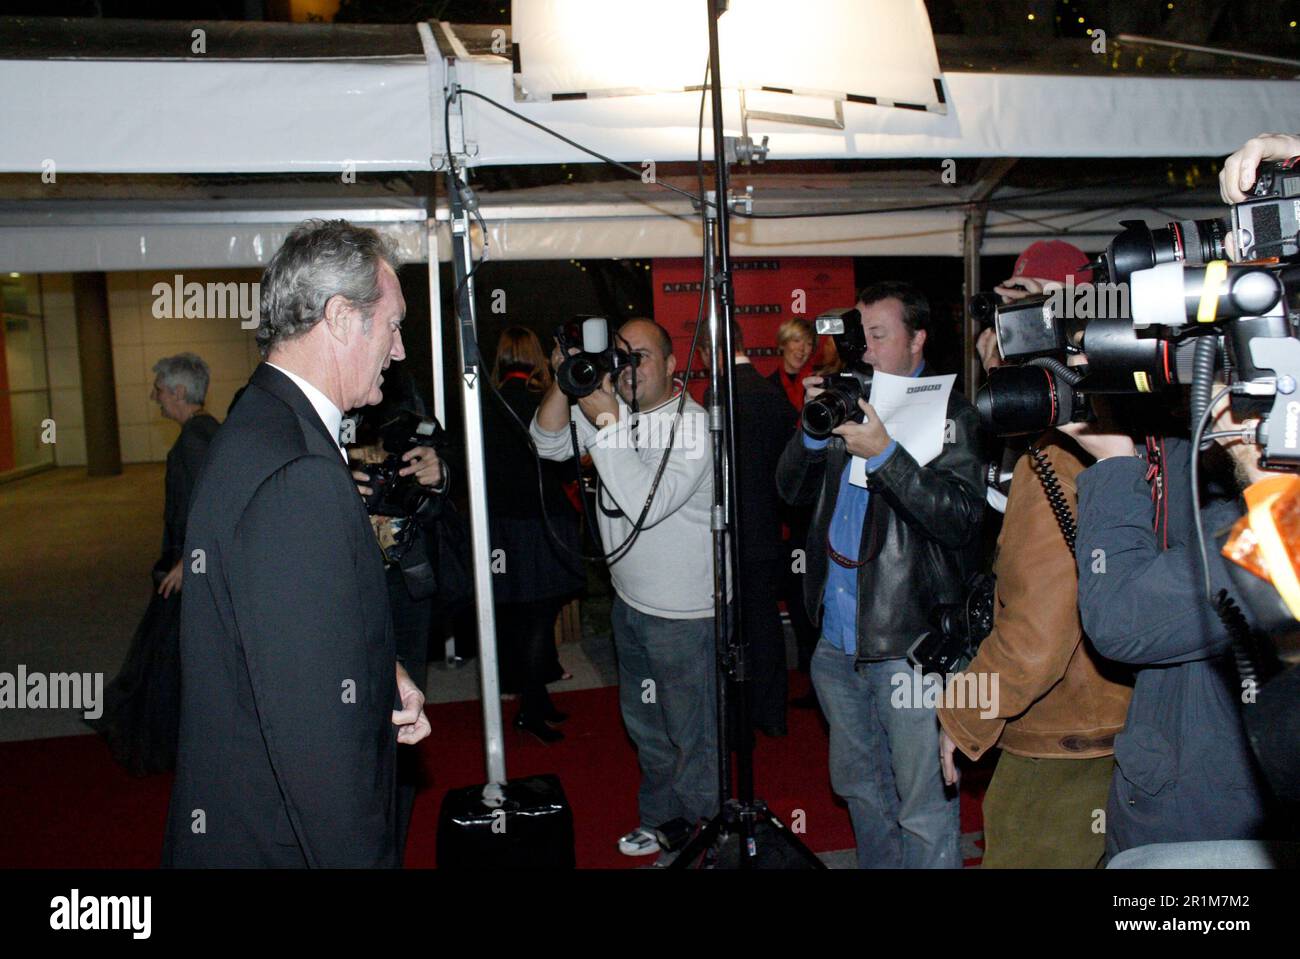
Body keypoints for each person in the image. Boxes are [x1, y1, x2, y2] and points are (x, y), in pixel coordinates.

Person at [162, 219, 431, 868]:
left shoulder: (261, 418)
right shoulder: (295, 472)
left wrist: (371, 674)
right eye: (392, 325)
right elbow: (316, 747)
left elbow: (285, 643)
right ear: (341, 318)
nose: (398, 350)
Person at [776, 281, 985, 869]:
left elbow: (962, 521)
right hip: (836, 642)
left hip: (907, 646)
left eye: (877, 335)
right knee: (861, 791)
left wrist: (886, 454)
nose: (862, 351)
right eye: (857, 336)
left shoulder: (952, 414)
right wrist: (813, 430)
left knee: (922, 806)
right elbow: (788, 491)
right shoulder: (849, 403)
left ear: (917, 339)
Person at [530, 318, 718, 860]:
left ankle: (701, 836)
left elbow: (645, 506)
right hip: (630, 604)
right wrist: (567, 380)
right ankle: (661, 822)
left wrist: (607, 420)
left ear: (672, 364)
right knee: (648, 729)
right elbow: (545, 443)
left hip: (685, 615)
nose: (629, 368)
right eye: (620, 355)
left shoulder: (691, 426)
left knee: (693, 738)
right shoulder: (616, 417)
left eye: (643, 357)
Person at [935, 429, 1133, 868]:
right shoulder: (1140, 433)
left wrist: (965, 712)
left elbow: (1038, 633)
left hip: (1063, 743)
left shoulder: (1055, 456)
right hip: (1129, 727)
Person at [88, 353, 220, 776]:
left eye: (160, 390)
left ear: (179, 392)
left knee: (165, 659)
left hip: (189, 568)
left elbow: (209, 505)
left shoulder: (195, 441)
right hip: (189, 563)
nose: (155, 398)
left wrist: (187, 560)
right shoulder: (203, 433)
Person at [347, 360, 450, 858]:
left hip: (404, 584)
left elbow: (452, 510)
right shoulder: (309, 416)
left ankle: (391, 846)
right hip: (338, 586)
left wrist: (437, 476)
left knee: (405, 717)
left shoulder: (411, 408)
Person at [485, 326, 586, 744]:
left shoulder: (484, 401)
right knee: (539, 620)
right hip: (541, 522)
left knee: (520, 618)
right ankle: (530, 708)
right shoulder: (539, 401)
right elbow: (562, 462)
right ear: (535, 355)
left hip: (500, 525)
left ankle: (536, 699)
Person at [701, 320, 794, 738]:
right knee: (766, 623)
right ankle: (772, 714)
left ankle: (739, 719)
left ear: (707, 352)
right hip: (768, 528)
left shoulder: (716, 394)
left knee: (735, 626)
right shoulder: (772, 394)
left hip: (729, 530)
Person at [768, 318, 817, 412]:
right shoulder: (769, 386)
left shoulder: (819, 383)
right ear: (783, 344)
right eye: (796, 341)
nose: (801, 349)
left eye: (808, 344)